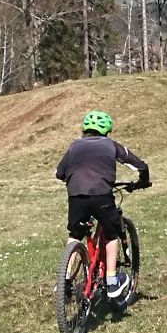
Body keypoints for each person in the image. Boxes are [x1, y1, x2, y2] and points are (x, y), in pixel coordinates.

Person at [55, 111, 150, 301]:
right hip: (101, 195)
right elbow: (139, 165)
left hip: (76, 196)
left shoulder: (74, 146)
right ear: (107, 131)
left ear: (85, 130)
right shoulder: (111, 145)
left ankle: (63, 282)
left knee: (75, 235)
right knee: (111, 233)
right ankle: (112, 279)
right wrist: (143, 181)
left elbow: (59, 172)